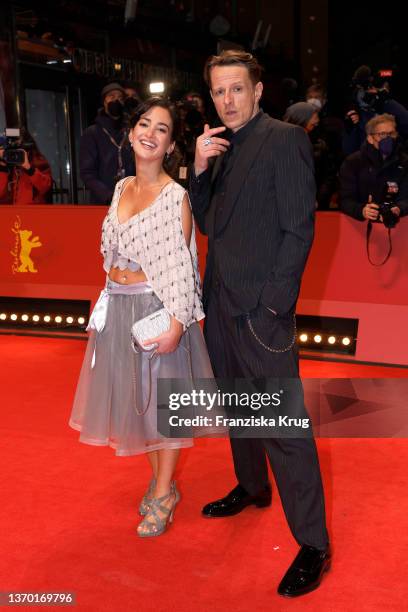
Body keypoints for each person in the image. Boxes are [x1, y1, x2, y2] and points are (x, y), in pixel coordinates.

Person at [189, 50, 330, 598]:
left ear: (258, 90)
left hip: (261, 312)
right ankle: (252, 487)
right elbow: (207, 224)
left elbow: (299, 230)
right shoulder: (219, 148)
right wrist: (199, 169)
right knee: (237, 408)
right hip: (220, 305)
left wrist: (274, 306)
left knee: (285, 429)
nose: (227, 100)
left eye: (236, 89)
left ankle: (314, 544)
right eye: (219, 91)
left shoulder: (284, 139)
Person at [70, 97, 213, 537]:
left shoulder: (176, 198)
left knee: (165, 409)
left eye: (162, 129)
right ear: (131, 134)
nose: (151, 133)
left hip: (156, 310)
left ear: (171, 145)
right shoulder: (121, 188)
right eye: (144, 125)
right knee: (139, 406)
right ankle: (161, 483)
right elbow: (110, 248)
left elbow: (182, 268)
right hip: (119, 309)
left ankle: (164, 492)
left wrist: (175, 323)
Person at [339, 113, 408, 221]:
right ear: (370, 138)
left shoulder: (404, 162)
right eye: (382, 134)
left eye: (391, 133)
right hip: (361, 228)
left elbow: (406, 197)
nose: (388, 138)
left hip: (397, 227)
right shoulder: (353, 162)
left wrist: (399, 208)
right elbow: (345, 200)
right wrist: (362, 210)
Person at [79, 82, 135, 204]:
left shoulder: (131, 131)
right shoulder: (92, 133)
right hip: (102, 203)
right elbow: (87, 172)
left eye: (120, 98)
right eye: (112, 96)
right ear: (104, 101)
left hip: (131, 200)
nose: (116, 100)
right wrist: (107, 196)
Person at [283, 101, 338, 210]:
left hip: (315, 200)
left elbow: (328, 173)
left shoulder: (320, 141)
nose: (316, 119)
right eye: (313, 116)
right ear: (301, 117)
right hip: (288, 201)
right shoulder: (281, 140)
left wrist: (320, 198)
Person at [0, 129, 52, 204]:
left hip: (32, 213)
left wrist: (29, 169)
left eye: (18, 148)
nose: (14, 153)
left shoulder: (38, 162)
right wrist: (2, 167)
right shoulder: (9, 165)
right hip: (14, 214)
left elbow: (45, 187)